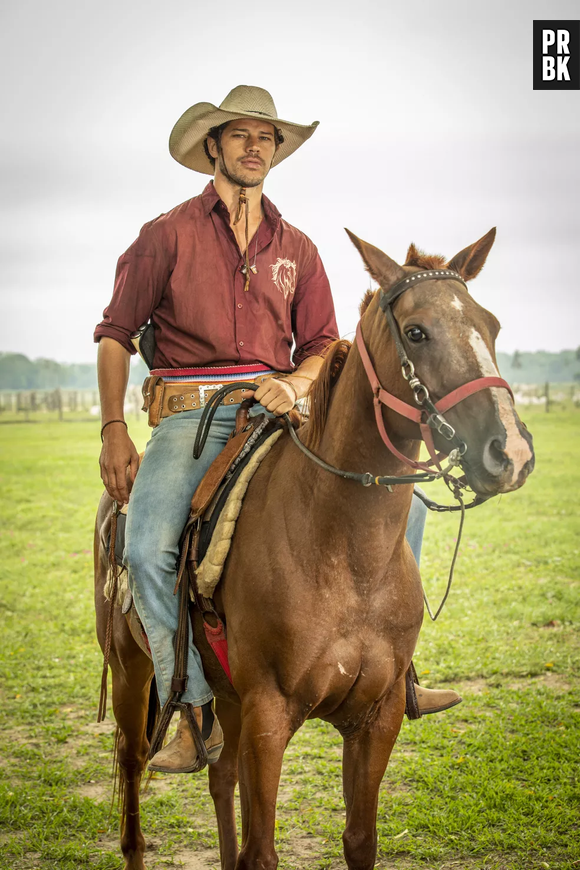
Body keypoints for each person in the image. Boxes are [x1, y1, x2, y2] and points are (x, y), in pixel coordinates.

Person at [94, 85, 460, 774]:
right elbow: (114, 337)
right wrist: (114, 427)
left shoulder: (298, 246)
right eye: (241, 135)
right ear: (214, 147)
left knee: (392, 501)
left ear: (277, 152)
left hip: (279, 411)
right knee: (145, 551)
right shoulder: (163, 235)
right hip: (188, 419)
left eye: (267, 137)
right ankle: (194, 706)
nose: (256, 146)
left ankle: (397, 669)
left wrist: (294, 383)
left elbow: (322, 343)